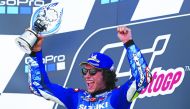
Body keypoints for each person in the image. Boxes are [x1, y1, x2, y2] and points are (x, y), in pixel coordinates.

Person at [27, 26, 152, 109]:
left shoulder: (119, 96)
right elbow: (38, 86)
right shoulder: (76, 97)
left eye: (92, 71)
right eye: (85, 71)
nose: (87, 75)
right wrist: (35, 52)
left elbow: (143, 78)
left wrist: (129, 43)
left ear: (107, 75)